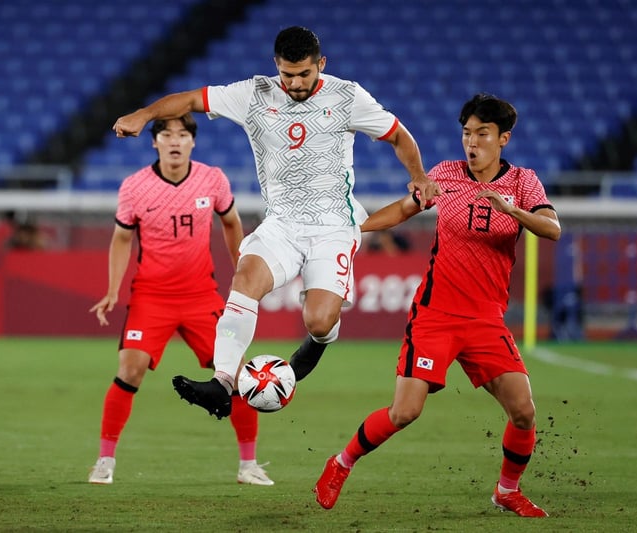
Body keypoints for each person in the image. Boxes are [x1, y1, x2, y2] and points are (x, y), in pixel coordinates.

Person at [112, 26, 441, 420]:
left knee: (319, 320)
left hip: (333, 225)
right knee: (245, 280)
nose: (296, 83)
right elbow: (189, 99)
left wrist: (419, 175)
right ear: (275, 66)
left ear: (321, 64)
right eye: (287, 74)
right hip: (282, 222)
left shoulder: (347, 96)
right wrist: (144, 113)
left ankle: (321, 340)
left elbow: (398, 135)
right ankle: (222, 382)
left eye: (304, 74)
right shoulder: (254, 94)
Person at [313, 94, 561, 517]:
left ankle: (506, 490)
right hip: (436, 315)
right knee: (405, 411)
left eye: (482, 134)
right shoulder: (445, 174)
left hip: (485, 319)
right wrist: (355, 227)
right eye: (467, 133)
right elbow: (404, 210)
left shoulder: (522, 181)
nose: (472, 142)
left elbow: (552, 228)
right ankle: (341, 463)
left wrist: (513, 210)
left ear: (503, 138)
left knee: (523, 411)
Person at [87, 113, 275, 486]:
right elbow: (122, 239)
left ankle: (249, 465)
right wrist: (112, 290)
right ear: (155, 142)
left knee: (236, 375)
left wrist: (241, 267)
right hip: (151, 297)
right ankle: (104, 461)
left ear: (193, 141)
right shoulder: (135, 187)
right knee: (130, 369)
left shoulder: (213, 179)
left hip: (200, 296)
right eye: (167, 134)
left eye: (183, 134)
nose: (175, 140)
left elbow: (232, 222)